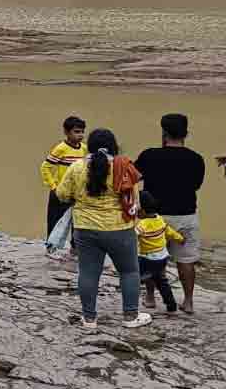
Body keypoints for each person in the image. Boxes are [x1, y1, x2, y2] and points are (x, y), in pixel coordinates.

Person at [55, 129, 150, 329]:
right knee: (129, 271)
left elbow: (62, 194)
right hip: (120, 229)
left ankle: (89, 319)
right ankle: (131, 317)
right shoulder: (124, 168)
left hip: (85, 228)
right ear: (114, 146)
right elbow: (135, 201)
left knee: (88, 273)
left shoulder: (77, 167)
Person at [134, 113, 205, 314]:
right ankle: (189, 301)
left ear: (164, 133)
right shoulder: (196, 159)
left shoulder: (149, 155)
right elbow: (196, 185)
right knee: (186, 260)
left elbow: (133, 176)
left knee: (152, 256)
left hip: (155, 218)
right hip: (186, 215)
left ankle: (149, 298)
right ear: (186, 134)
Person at [40, 116, 87, 241]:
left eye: (82, 132)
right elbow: (45, 168)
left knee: (77, 222)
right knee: (55, 221)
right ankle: (51, 247)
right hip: (60, 191)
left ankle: (74, 248)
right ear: (66, 132)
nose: (80, 135)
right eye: (76, 132)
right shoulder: (60, 148)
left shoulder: (84, 148)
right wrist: (54, 186)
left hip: (76, 192)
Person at [135, 190, 182, 314]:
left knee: (133, 278)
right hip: (162, 257)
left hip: (147, 258)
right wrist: (180, 239)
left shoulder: (143, 224)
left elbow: (133, 236)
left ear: (143, 211)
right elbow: (170, 232)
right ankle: (171, 305)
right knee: (162, 281)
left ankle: (131, 306)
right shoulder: (160, 219)